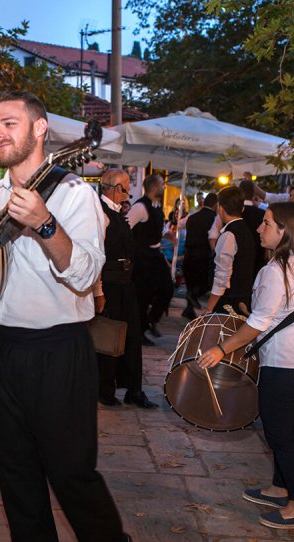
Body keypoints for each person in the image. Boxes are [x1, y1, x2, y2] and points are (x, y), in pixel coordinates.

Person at [0, 90, 129, 541]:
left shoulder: (74, 194)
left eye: (9, 123)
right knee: (16, 475)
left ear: (40, 129)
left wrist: (45, 223)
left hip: (59, 350)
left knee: (71, 473)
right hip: (4, 347)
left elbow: (85, 274)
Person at [199, 201, 294, 530]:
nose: (259, 228)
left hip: (287, 366)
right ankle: (279, 487)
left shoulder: (276, 270)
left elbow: (257, 324)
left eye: (267, 224)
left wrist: (220, 349)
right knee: (281, 428)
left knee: (280, 436)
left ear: (284, 231)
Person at [95, 169, 156, 408]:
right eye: (124, 187)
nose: (128, 192)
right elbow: (97, 252)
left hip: (126, 282)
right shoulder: (99, 213)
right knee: (110, 336)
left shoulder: (120, 213)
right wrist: (98, 291)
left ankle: (133, 389)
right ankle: (105, 389)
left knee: (131, 336)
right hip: (109, 284)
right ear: (112, 187)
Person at [127, 173, 174, 345]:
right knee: (143, 295)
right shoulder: (140, 207)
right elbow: (126, 227)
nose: (164, 186)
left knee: (167, 288)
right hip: (142, 257)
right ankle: (139, 331)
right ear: (154, 187)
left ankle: (150, 321)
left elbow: (158, 230)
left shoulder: (156, 206)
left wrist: (169, 236)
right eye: (162, 183)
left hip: (155, 255)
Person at [204, 186, 255, 316]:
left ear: (220, 208)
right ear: (242, 208)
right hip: (244, 299)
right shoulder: (246, 231)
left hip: (228, 303)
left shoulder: (228, 235)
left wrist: (209, 308)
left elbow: (222, 277)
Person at [183, 192, 217, 319]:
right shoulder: (214, 218)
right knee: (205, 283)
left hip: (188, 254)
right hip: (203, 256)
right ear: (215, 205)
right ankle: (192, 298)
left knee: (191, 282)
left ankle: (189, 309)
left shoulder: (192, 217)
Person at [239, 180, 267, 275]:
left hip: (237, 260)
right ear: (254, 193)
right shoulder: (263, 214)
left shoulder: (233, 213)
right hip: (257, 258)